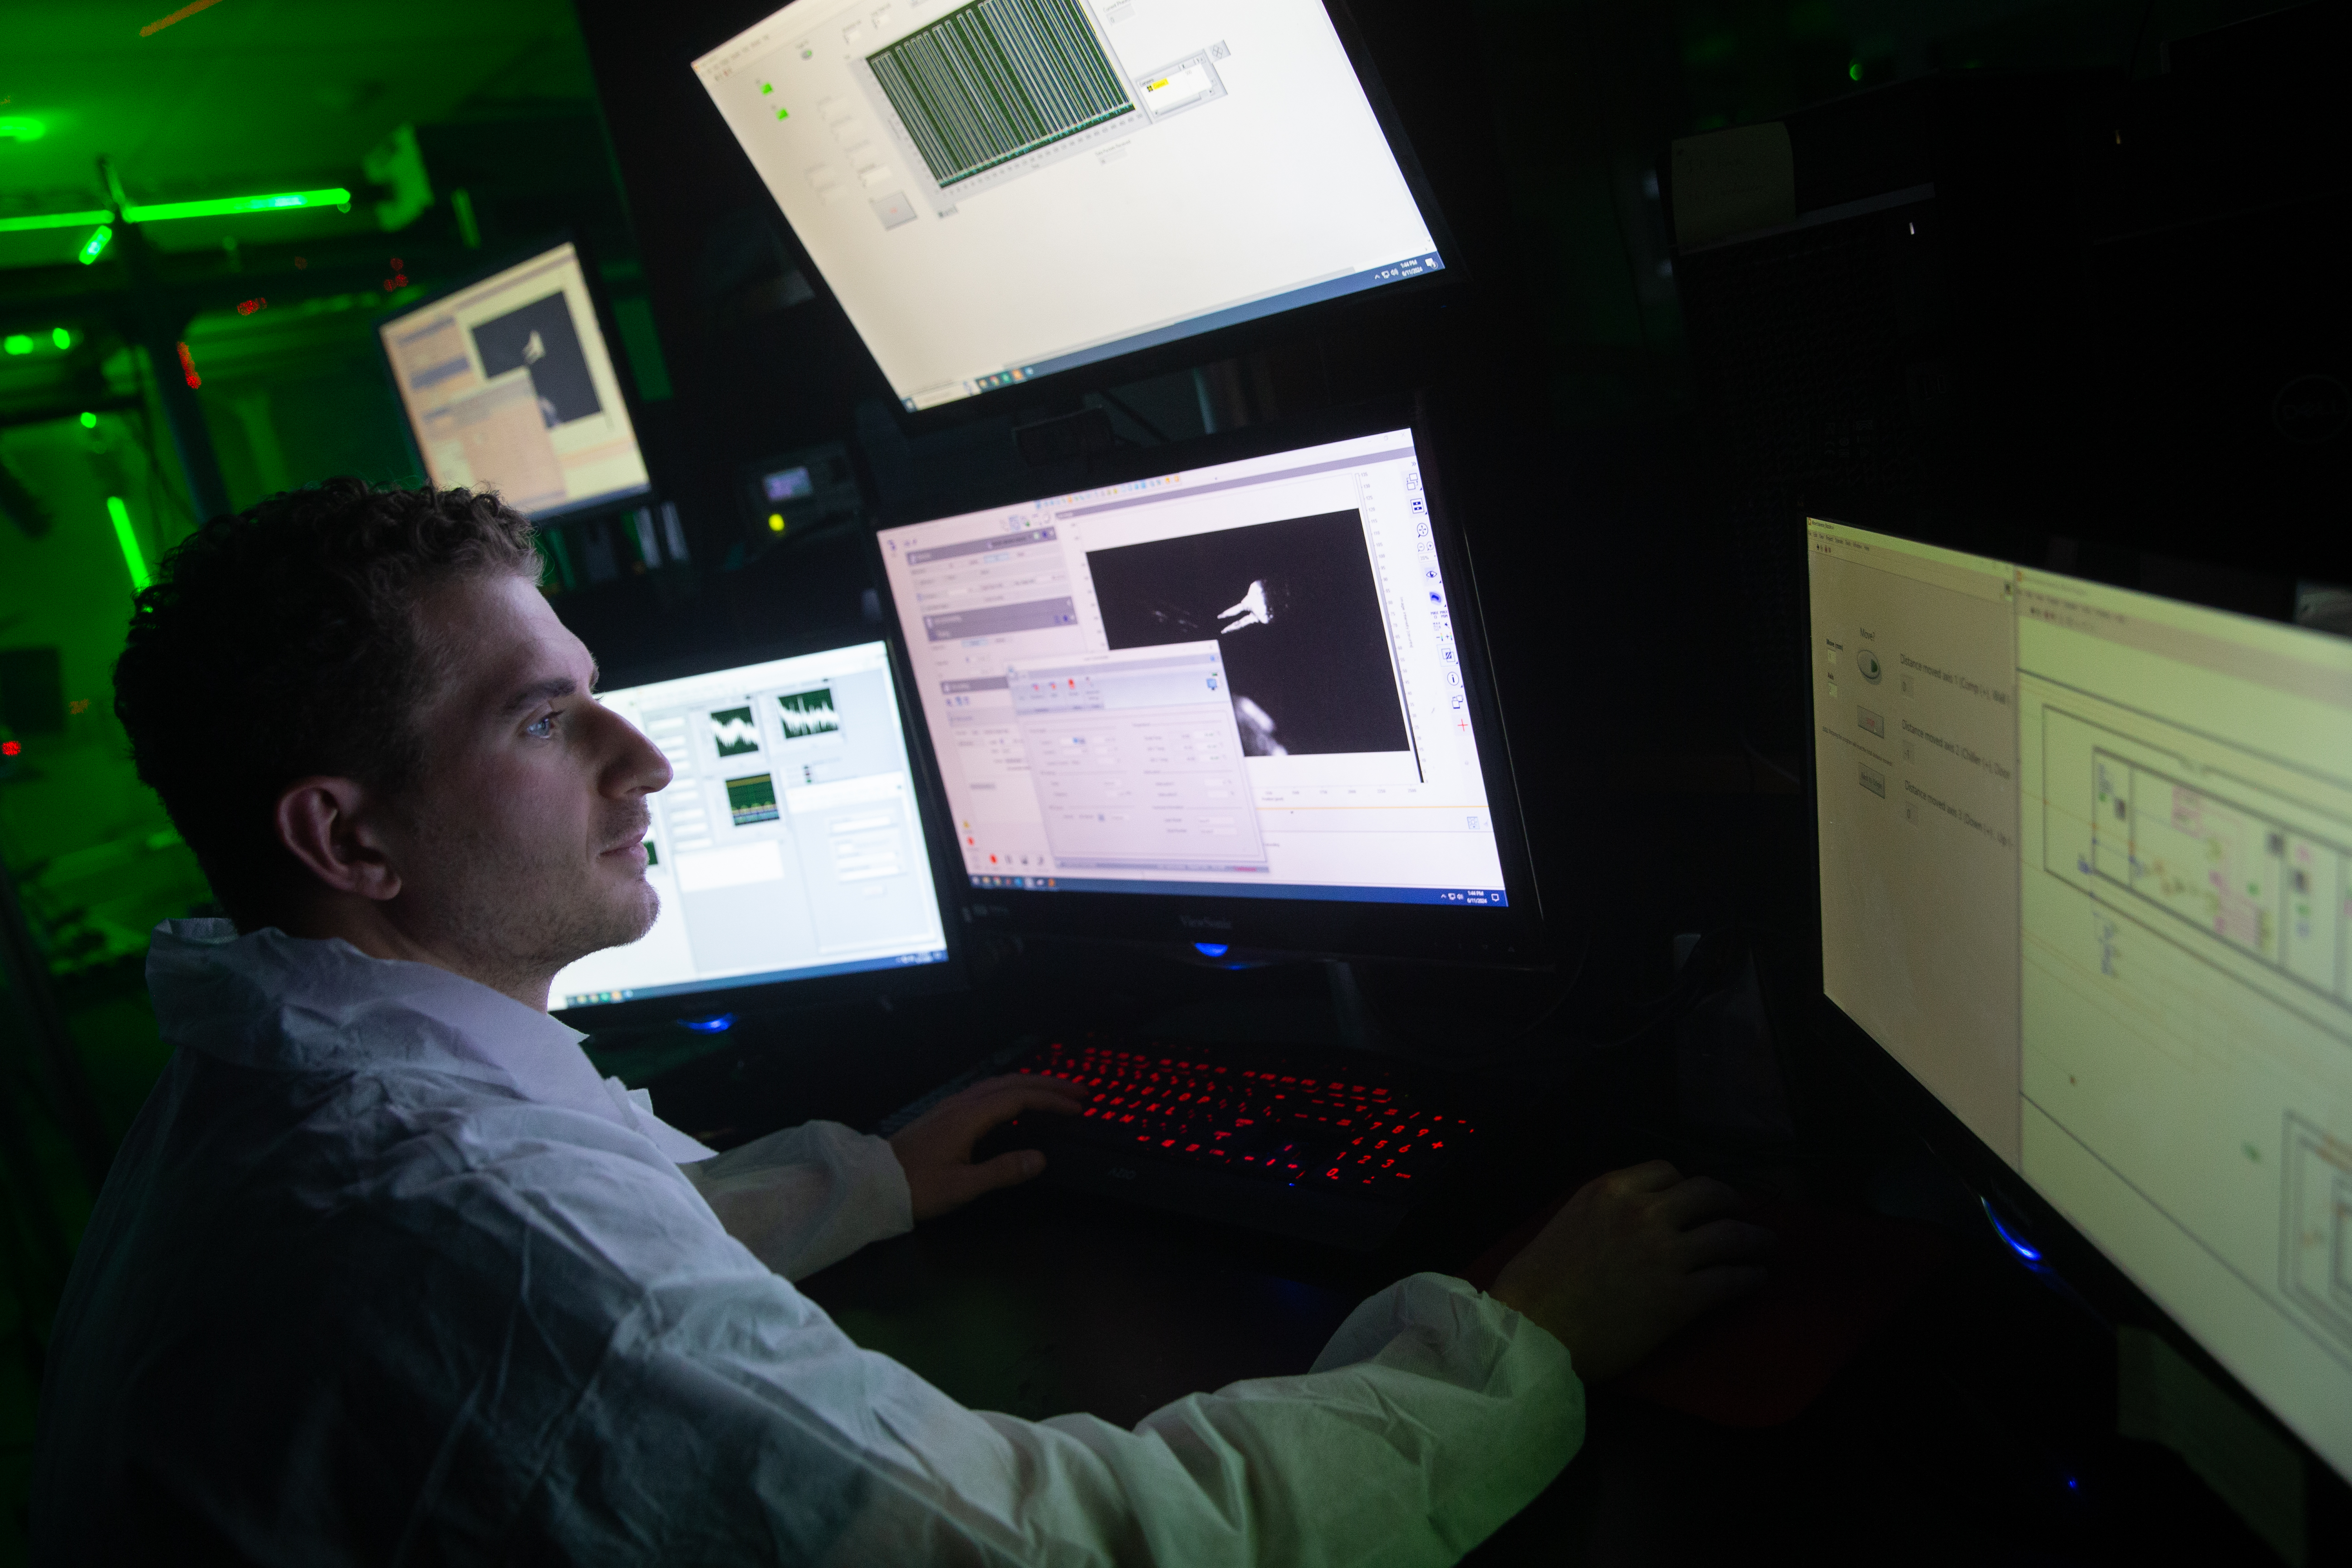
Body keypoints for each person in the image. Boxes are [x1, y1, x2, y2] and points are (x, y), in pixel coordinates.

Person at [32, 480, 1771, 1563]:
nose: (645, 759)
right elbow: (1055, 1556)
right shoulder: (454, 1217)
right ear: (347, 836)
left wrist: (857, 1181)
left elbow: (539, 1262)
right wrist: (1512, 1342)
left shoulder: (283, 1078)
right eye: (546, 723)